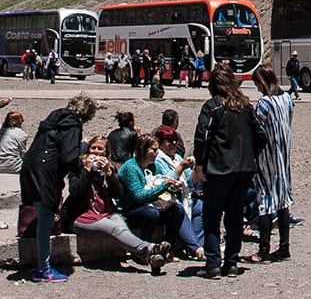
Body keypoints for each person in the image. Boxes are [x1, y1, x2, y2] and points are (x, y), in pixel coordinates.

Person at [63, 135, 171, 275]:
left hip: (106, 213)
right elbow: (75, 191)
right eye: (93, 148)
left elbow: (118, 193)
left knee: (121, 226)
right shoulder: (78, 167)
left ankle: (151, 257)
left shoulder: (108, 168)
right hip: (82, 216)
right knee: (116, 229)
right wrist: (87, 171)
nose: (96, 152)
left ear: (106, 153)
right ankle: (151, 249)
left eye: (100, 149)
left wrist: (110, 175)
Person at [19, 93, 97, 282]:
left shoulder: (54, 119)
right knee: (46, 221)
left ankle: (41, 265)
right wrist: (83, 154)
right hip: (47, 173)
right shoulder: (73, 125)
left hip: (31, 167)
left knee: (42, 217)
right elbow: (68, 157)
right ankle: (43, 268)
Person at [194, 67, 264, 278]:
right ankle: (231, 263)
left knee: (212, 216)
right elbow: (261, 135)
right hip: (243, 170)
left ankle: (213, 264)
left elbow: (202, 137)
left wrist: (200, 164)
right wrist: (250, 156)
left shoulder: (213, 106)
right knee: (235, 216)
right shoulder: (245, 107)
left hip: (218, 169)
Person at [251, 65, 296, 262]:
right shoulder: (287, 99)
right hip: (283, 154)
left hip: (266, 156)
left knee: (266, 202)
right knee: (283, 201)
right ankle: (284, 246)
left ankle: (264, 250)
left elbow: (256, 130)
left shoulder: (264, 103)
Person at [117, 133, 188, 248]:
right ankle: (143, 248)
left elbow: (160, 183)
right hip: (131, 208)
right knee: (151, 213)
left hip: (152, 204)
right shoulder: (131, 168)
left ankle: (168, 245)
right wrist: (163, 187)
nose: (156, 154)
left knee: (177, 210)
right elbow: (139, 196)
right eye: (153, 150)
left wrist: (173, 187)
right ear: (143, 149)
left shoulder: (154, 166)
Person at [154, 124, 205, 258]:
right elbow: (165, 182)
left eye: (175, 141)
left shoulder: (177, 157)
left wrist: (195, 170)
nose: (174, 144)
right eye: (169, 141)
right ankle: (195, 248)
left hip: (186, 194)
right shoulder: (158, 160)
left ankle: (198, 245)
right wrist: (181, 167)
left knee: (200, 206)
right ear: (161, 143)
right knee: (179, 209)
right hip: (168, 198)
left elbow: (191, 182)